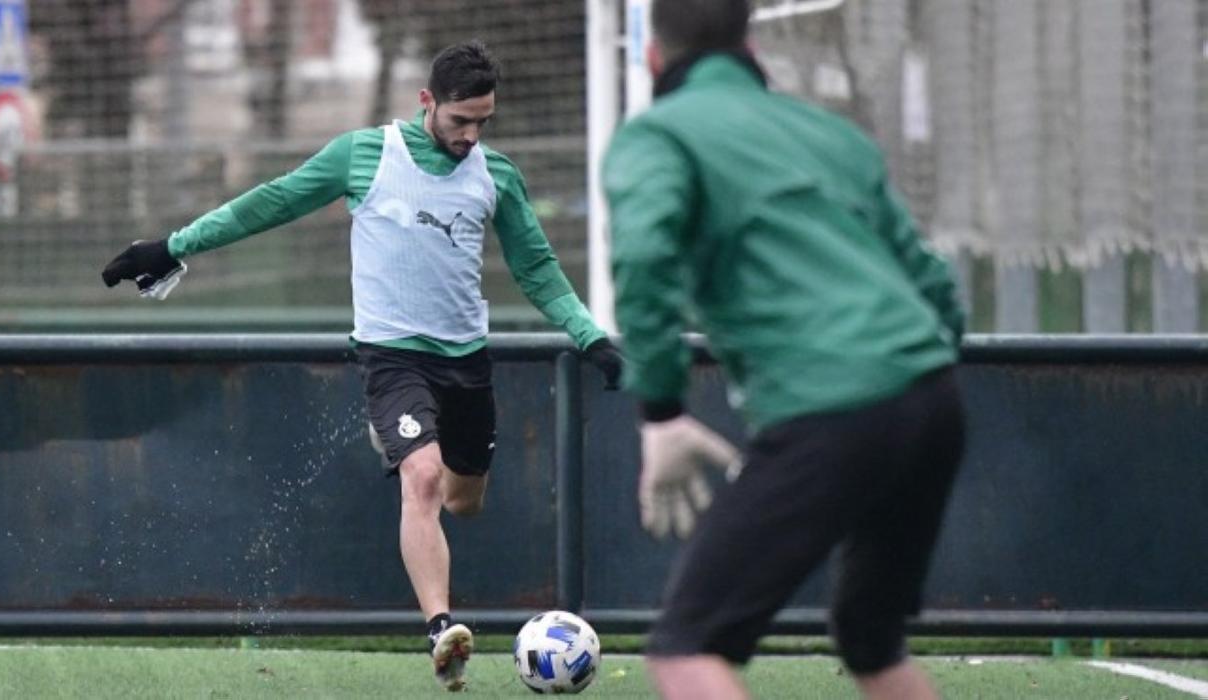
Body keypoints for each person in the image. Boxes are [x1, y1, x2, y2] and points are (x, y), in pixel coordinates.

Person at [102, 40, 622, 692]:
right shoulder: (365, 154)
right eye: (460, 121)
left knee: (464, 500)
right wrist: (172, 246)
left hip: (466, 362)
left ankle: (402, 443)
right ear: (426, 102)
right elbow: (268, 202)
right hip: (391, 355)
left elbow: (538, 270)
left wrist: (590, 336)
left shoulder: (497, 176)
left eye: (482, 123)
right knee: (424, 478)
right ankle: (442, 631)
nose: (470, 135)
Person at [602, 1, 967, 698]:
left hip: (833, 406)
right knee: (870, 638)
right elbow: (934, 287)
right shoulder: (830, 134)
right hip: (933, 397)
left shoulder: (657, 137)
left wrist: (661, 411)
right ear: (751, 45)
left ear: (653, 55)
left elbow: (644, 261)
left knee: (686, 647)